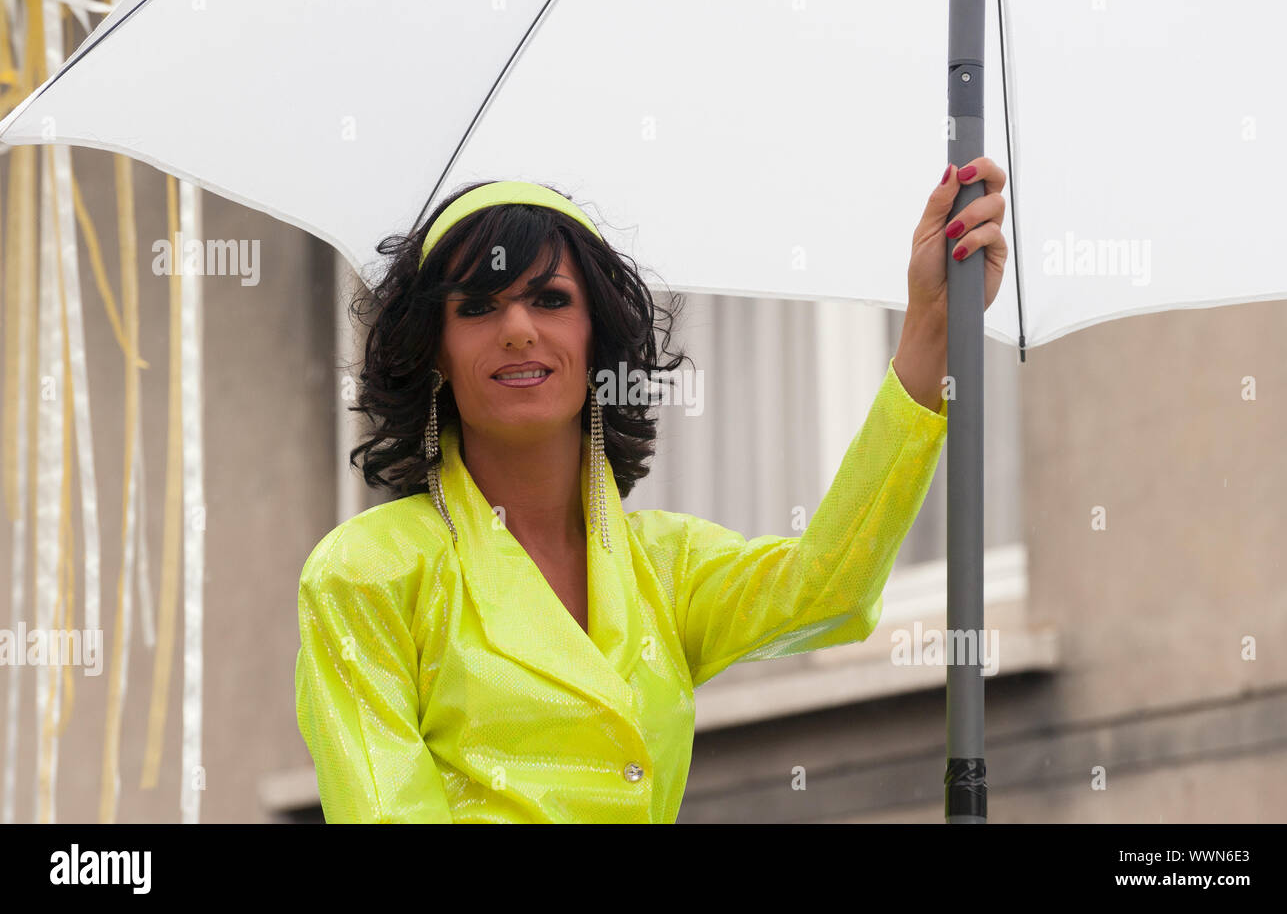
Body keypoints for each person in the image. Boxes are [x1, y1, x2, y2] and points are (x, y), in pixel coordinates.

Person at [295, 166, 1007, 823]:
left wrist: (931, 330)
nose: (518, 330)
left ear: (595, 337)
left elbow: (831, 591)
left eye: (550, 299)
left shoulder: (666, 564)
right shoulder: (365, 573)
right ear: (436, 353)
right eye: (478, 306)